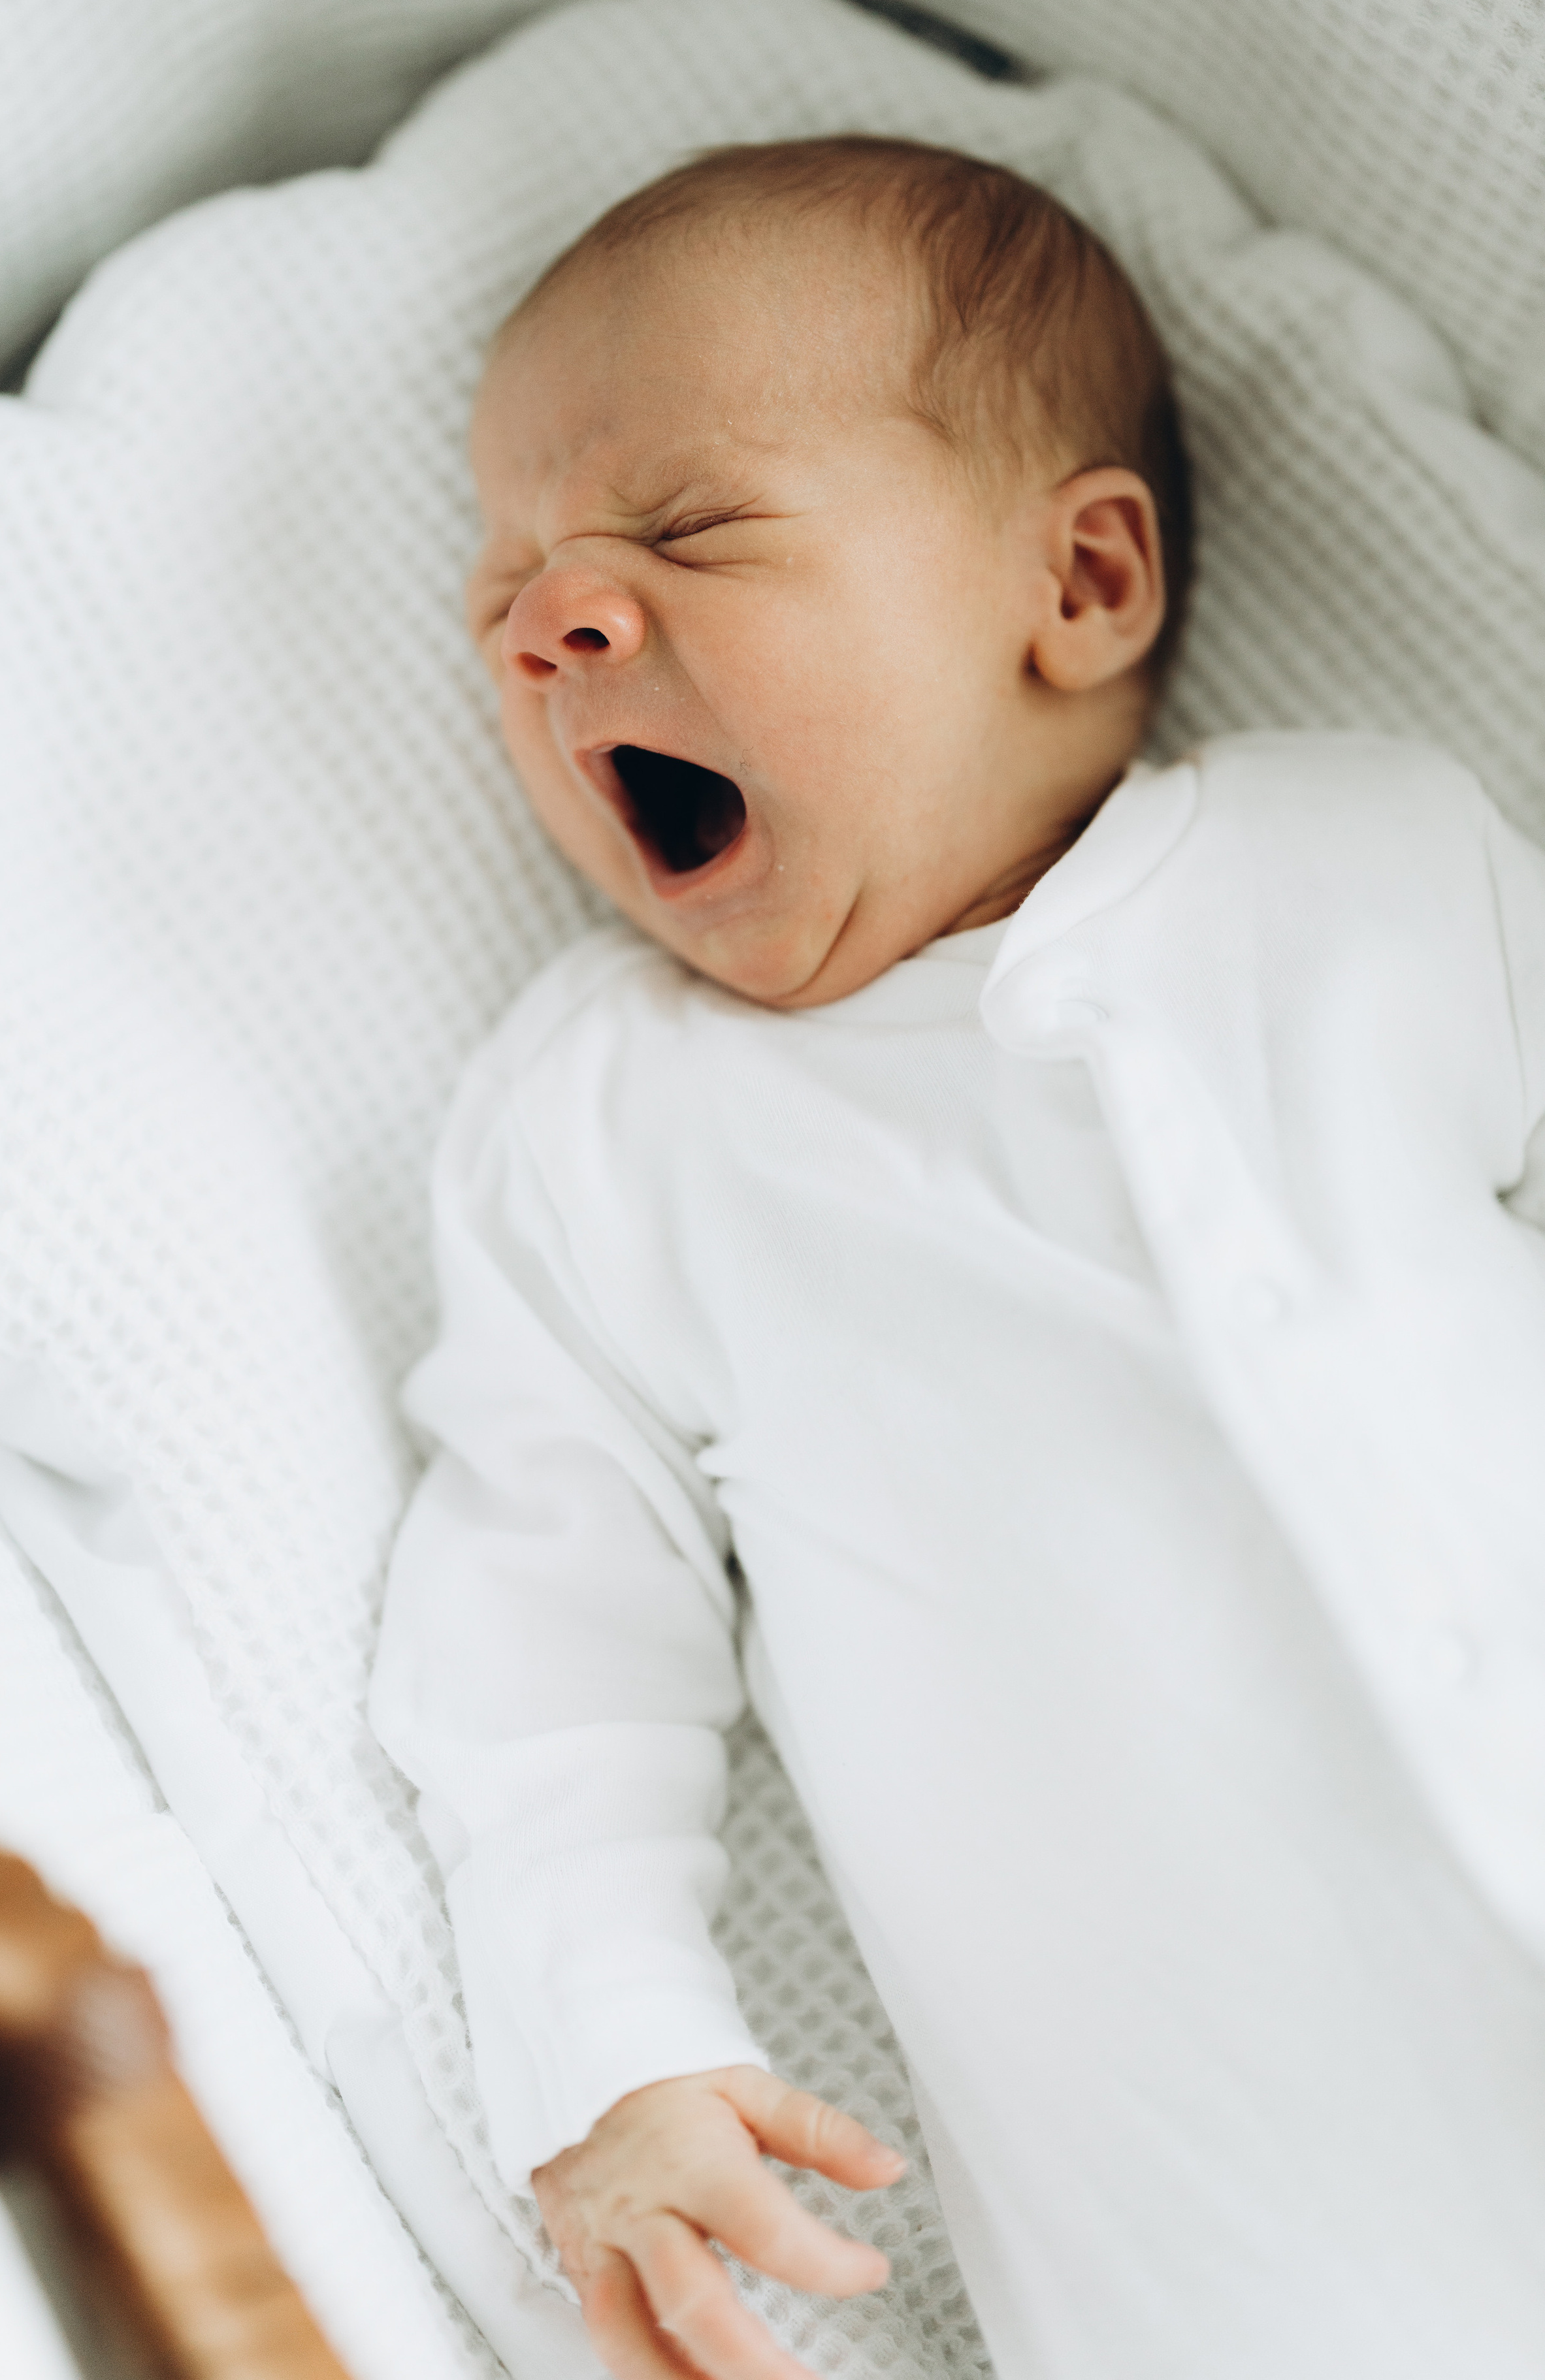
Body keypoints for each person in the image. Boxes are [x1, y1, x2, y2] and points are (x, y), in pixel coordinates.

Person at [370, 137, 1545, 2380]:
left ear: (1081, 581)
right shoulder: (613, 1131)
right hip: (1254, 2260)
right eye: (503, 601)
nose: (546, 626)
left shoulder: (1367, 863)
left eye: (687, 530)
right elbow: (538, 1657)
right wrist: (610, 2053)